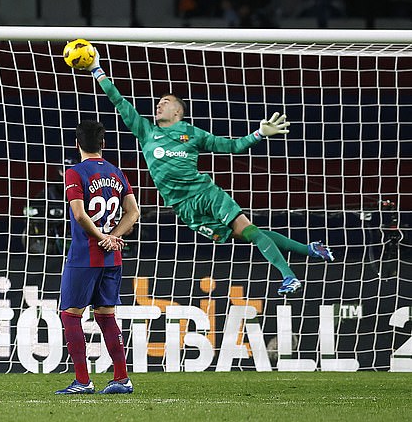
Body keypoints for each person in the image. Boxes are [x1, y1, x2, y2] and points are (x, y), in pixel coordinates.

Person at [82, 49, 334, 296]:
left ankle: (289, 276)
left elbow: (232, 146)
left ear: (178, 112)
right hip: (184, 209)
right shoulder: (146, 131)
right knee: (249, 234)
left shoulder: (193, 134)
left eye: (165, 102)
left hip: (206, 193)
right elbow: (119, 102)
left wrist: (259, 134)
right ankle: (309, 250)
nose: (159, 105)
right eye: (158, 102)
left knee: (250, 230)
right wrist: (97, 70)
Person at [55, 120, 140, 395]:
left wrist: (101, 237)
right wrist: (113, 236)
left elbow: (80, 214)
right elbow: (134, 212)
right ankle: (122, 377)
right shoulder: (117, 173)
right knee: (106, 316)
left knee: (70, 315)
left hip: (84, 256)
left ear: (77, 144)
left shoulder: (75, 173)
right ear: (103, 144)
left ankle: (82, 381)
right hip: (112, 258)